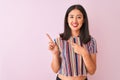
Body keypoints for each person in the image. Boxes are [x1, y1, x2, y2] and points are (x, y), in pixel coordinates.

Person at [47, 4, 97, 80]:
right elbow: (55, 70)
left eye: (79, 17)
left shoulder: (91, 41)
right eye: (71, 17)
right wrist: (55, 54)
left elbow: (92, 71)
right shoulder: (59, 40)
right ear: (67, 19)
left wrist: (84, 53)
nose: (75, 21)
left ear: (83, 20)